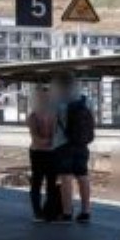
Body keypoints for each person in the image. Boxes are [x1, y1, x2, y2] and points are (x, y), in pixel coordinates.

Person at [54, 78, 95, 223]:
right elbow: (91, 121)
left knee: (66, 177)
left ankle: (67, 213)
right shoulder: (87, 101)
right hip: (82, 144)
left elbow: (52, 124)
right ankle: (86, 211)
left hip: (63, 144)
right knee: (83, 176)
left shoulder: (57, 102)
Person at [25, 87, 58, 222]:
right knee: (47, 183)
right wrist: (50, 141)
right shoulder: (52, 114)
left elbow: (36, 139)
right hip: (47, 152)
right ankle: (44, 212)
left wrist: (45, 141)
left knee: (39, 183)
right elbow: (52, 137)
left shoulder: (34, 115)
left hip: (39, 152)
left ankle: (41, 212)